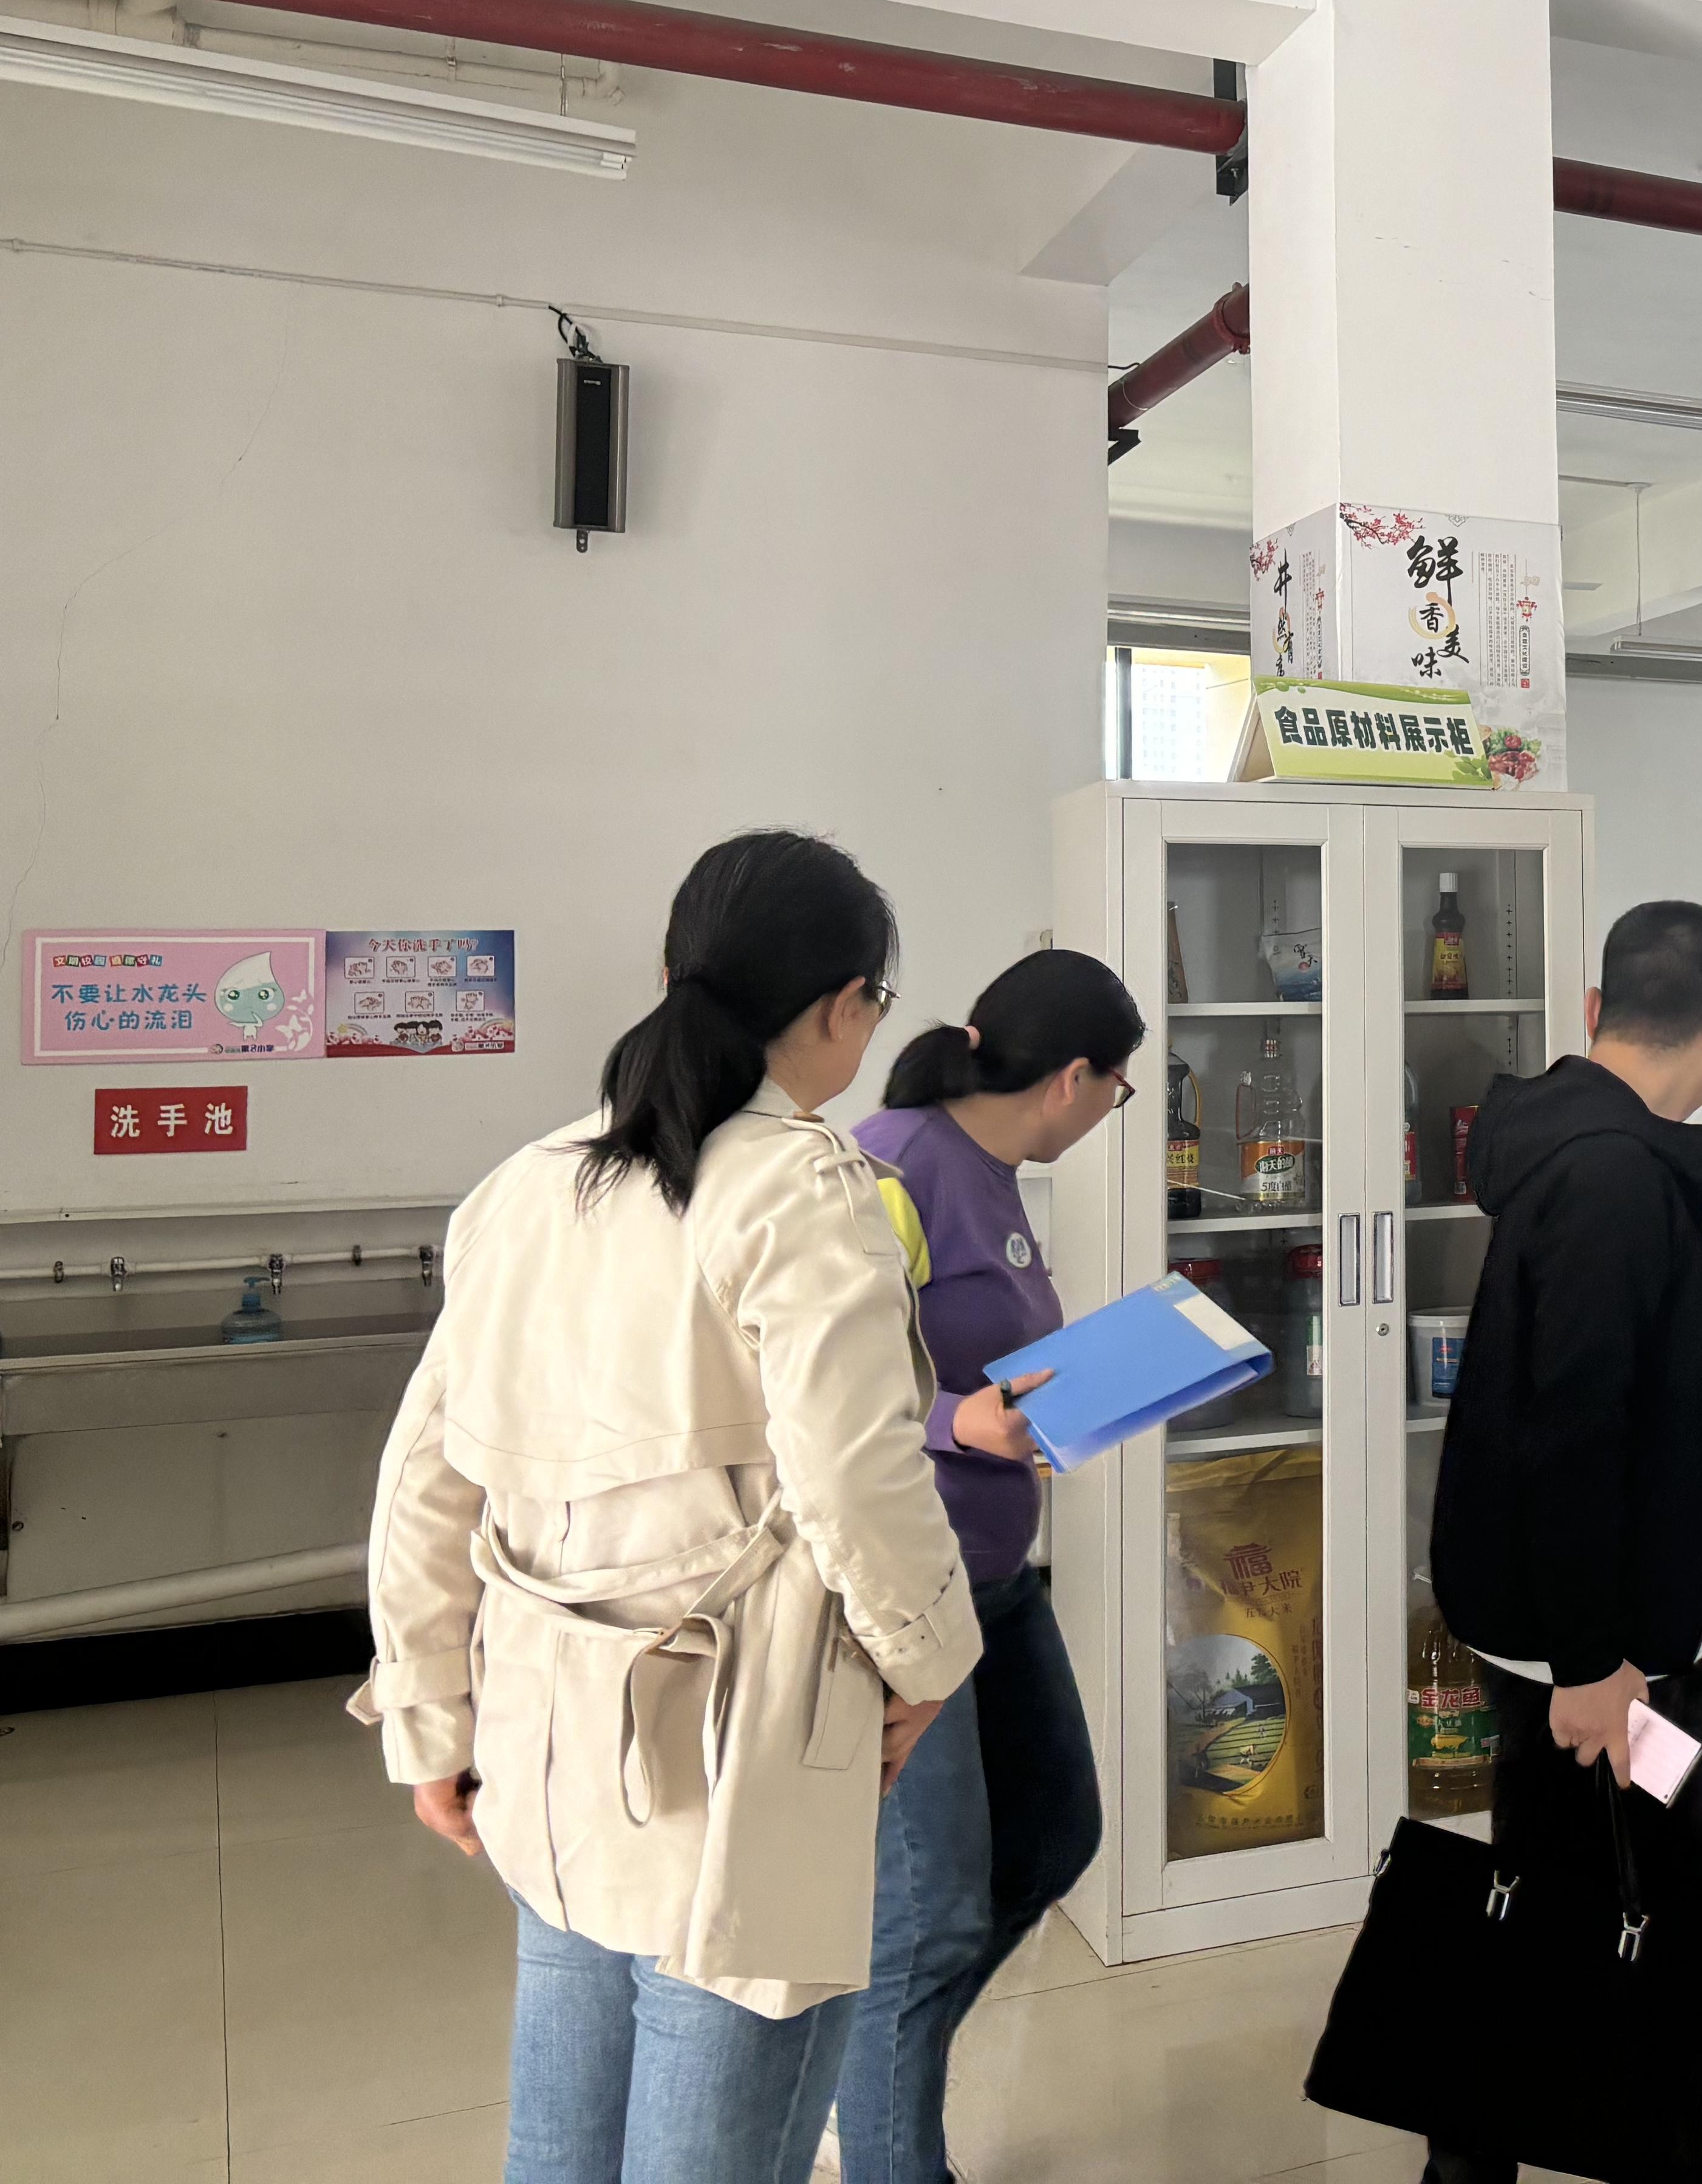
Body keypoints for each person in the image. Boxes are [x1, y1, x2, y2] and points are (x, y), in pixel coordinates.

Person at [358, 830, 982, 2184]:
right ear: (843, 1007)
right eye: (875, 1003)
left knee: (561, 2143)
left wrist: (427, 1714)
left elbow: (426, 1479)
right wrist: (933, 1659)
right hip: (743, 1746)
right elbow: (859, 1477)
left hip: (542, 1734)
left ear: (669, 972)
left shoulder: (526, 1186)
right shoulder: (804, 1185)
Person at [1423, 900, 1702, 2184]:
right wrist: (1591, 1667)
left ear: (1594, 1011)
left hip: (1591, 1628)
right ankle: (1672, 2151)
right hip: (1607, 1648)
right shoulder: (1619, 1177)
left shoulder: (1581, 1148)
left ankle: (1543, 2153)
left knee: (1578, 1883)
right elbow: (1573, 1434)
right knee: (1644, 1891)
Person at [822, 950, 1141, 2180]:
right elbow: (809, 1388)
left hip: (1000, 1580)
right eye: (1117, 1090)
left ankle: (875, 2070)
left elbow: (973, 1354)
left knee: (1053, 1838)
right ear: (1073, 1079)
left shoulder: (992, 1172)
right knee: (928, 1918)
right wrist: (966, 1422)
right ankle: (892, 2142)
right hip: (913, 1586)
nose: (1110, 1111)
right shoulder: (887, 1166)